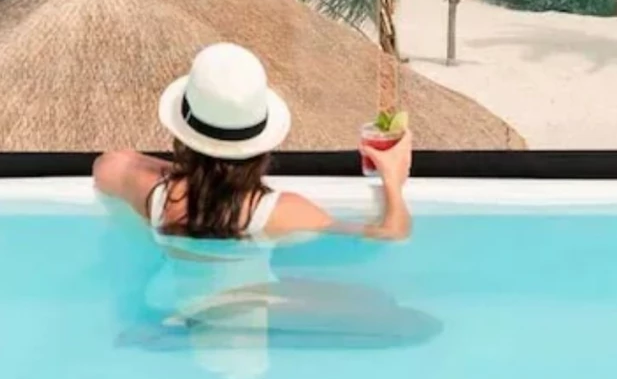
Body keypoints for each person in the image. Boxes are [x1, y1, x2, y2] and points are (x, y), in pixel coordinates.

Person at [93, 42, 413, 243]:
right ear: (260, 141)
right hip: (244, 335)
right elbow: (391, 235)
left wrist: (193, 173)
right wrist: (393, 182)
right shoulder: (282, 213)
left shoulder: (148, 192)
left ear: (184, 134)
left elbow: (110, 161)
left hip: (167, 322)